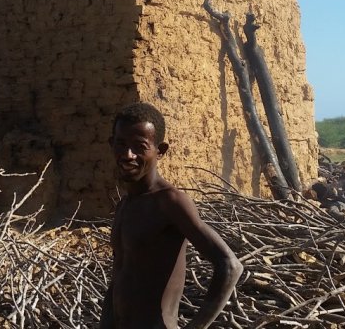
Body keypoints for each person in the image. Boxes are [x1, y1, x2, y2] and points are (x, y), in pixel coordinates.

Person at [100, 102, 243, 329]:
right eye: (121, 144)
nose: (128, 154)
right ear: (111, 145)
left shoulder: (170, 202)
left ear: (161, 150)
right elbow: (120, 275)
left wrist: (197, 326)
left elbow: (229, 265)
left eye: (139, 146)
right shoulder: (125, 205)